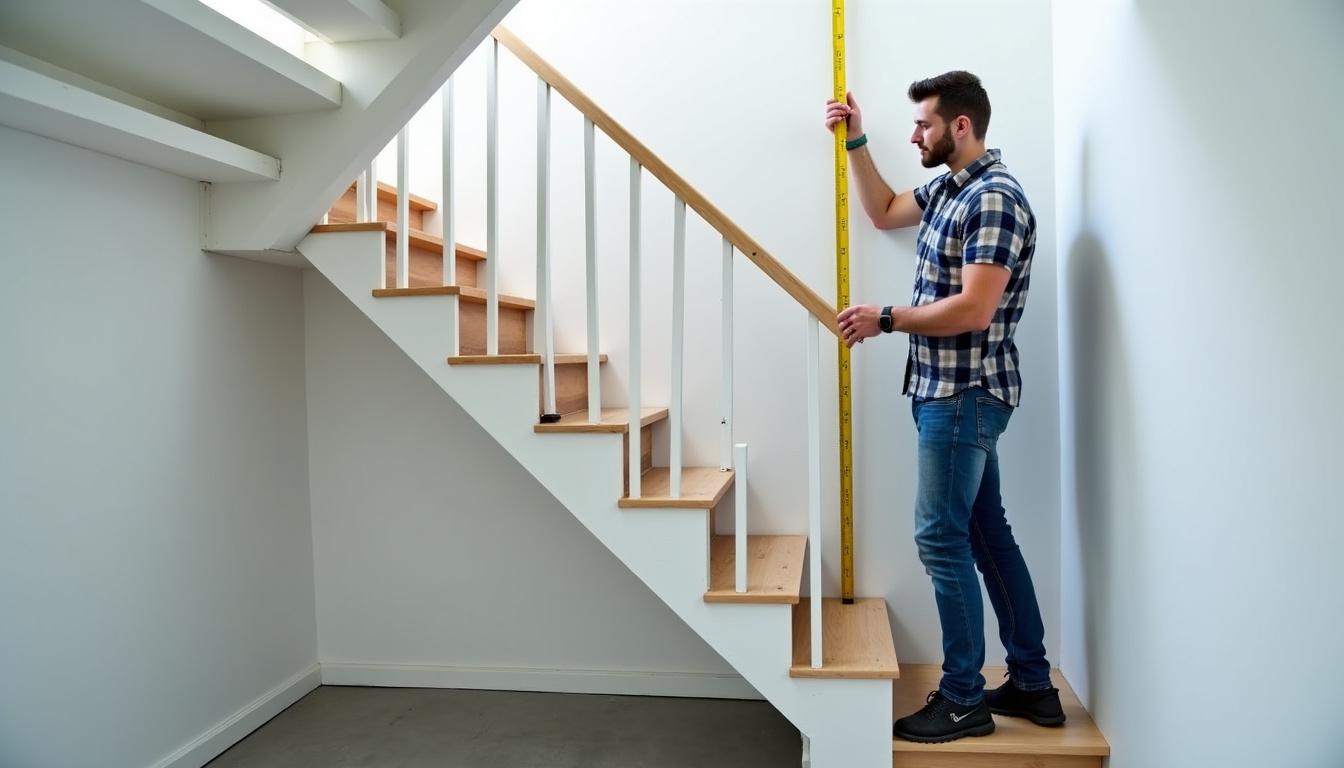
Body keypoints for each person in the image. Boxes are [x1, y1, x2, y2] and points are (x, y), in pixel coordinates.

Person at [824, 71, 1064, 744]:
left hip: (963, 396)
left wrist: (887, 318)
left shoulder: (994, 199)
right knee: (987, 536)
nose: (915, 134)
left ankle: (963, 698)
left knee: (939, 537)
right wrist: (857, 139)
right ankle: (1033, 684)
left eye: (924, 124)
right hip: (947, 393)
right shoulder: (953, 189)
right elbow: (883, 210)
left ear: (961, 126)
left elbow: (975, 309)